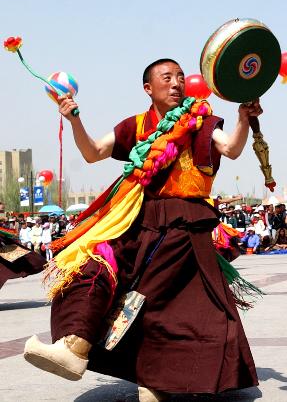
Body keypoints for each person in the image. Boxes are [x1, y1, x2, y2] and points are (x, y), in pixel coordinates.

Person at [24, 59, 262, 401]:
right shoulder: (134, 126)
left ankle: (159, 382)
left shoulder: (201, 121)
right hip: (139, 221)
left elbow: (232, 149)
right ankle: (73, 346)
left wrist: (243, 118)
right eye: (167, 78)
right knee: (91, 265)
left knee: (167, 305)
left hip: (186, 225)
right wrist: (74, 119)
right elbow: (92, 153)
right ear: (148, 88)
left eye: (180, 77)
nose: (177, 83)